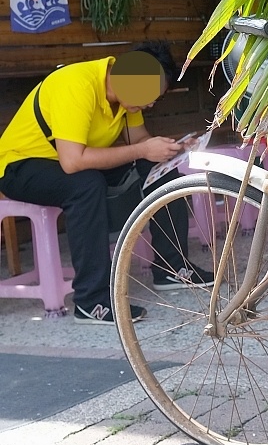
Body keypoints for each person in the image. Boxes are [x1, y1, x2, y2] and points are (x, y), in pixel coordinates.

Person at [0, 43, 211, 323]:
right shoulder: (76, 85)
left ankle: (172, 268)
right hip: (19, 167)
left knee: (159, 168)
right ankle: (91, 300)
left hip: (69, 163)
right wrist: (142, 151)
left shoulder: (127, 95)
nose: (149, 104)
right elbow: (73, 162)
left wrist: (172, 148)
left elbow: (138, 142)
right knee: (86, 184)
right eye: (149, 96)